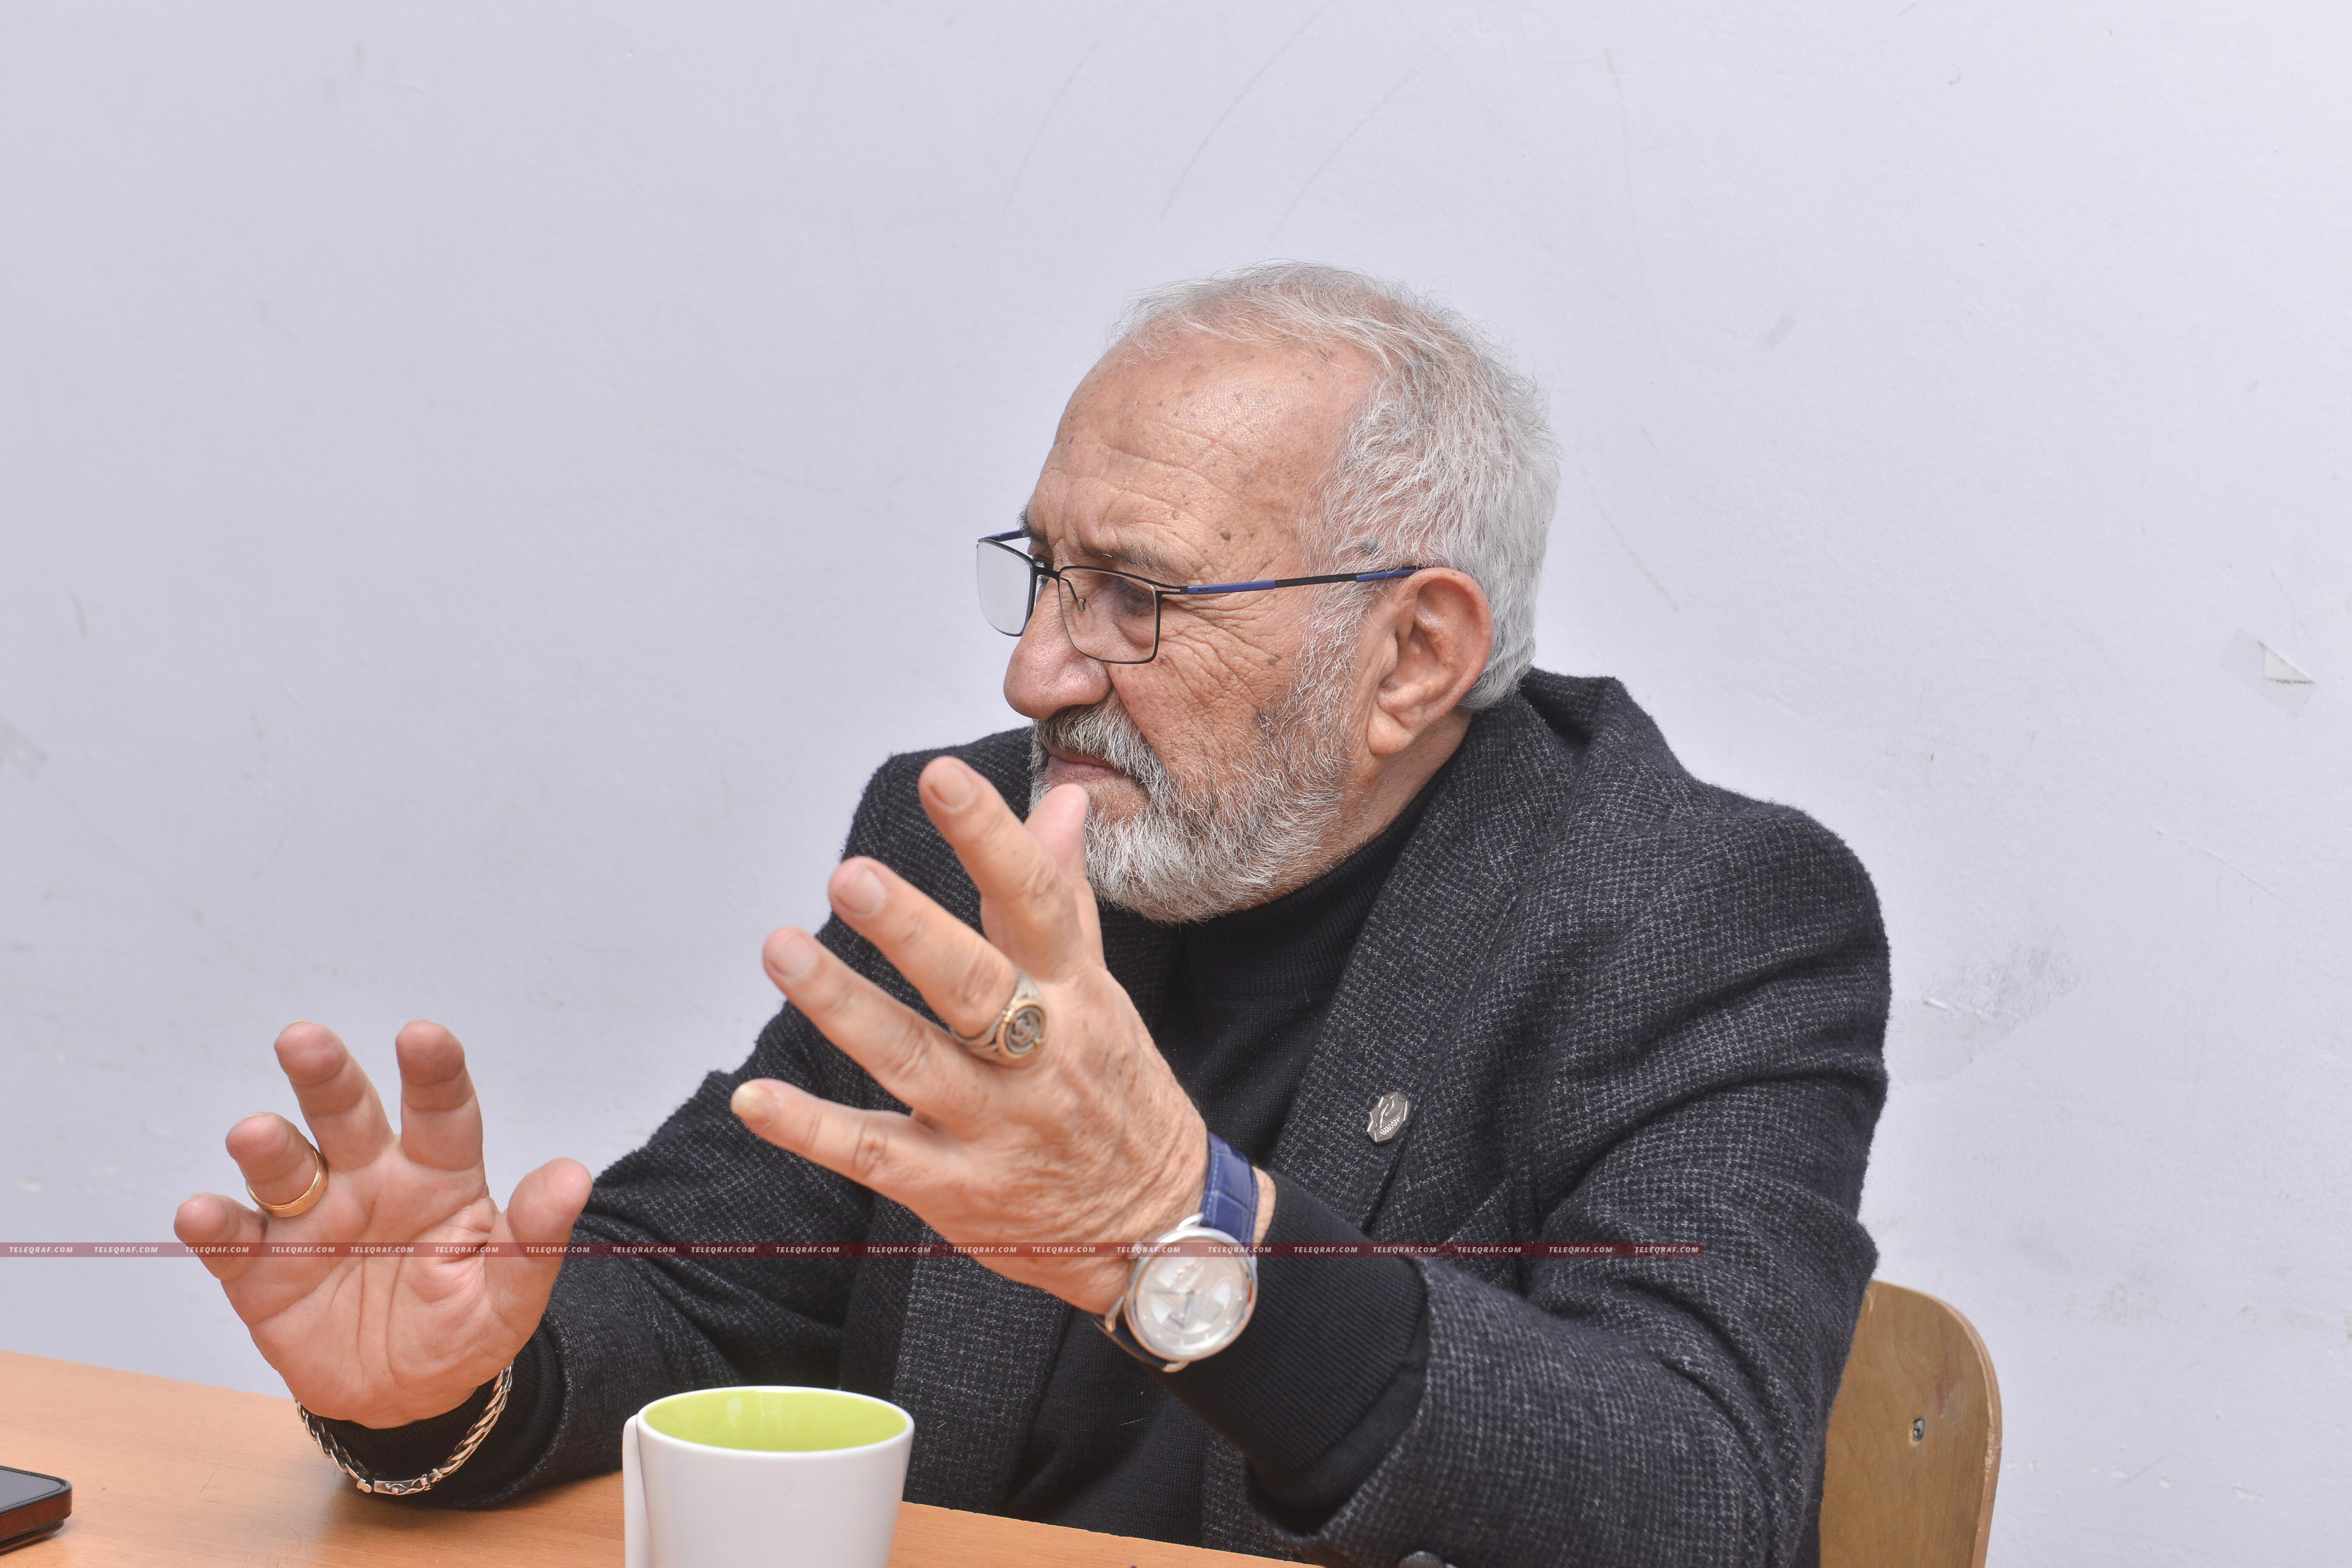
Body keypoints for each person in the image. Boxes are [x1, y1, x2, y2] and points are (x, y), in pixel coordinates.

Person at [175, 264, 1889, 1568]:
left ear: (1414, 655)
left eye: (1138, 595)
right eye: (1047, 572)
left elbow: (1699, 1491)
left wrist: (1173, 1231)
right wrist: (456, 1384)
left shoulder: (1695, 913)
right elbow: (711, 1288)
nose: (1036, 673)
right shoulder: (969, 845)